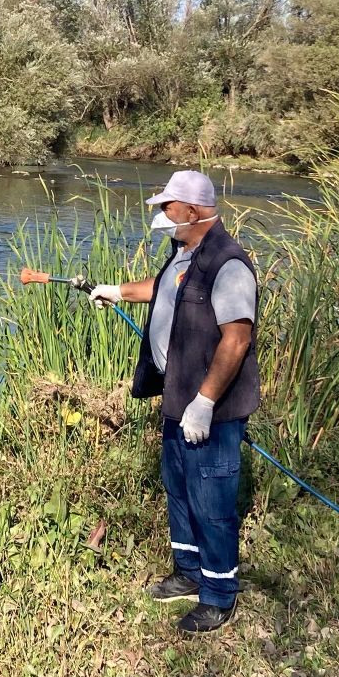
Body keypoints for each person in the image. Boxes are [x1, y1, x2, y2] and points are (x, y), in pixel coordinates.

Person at [80, 168, 261, 634]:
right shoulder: (185, 254)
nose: (161, 215)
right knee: (178, 487)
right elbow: (163, 291)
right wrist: (115, 291)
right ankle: (189, 571)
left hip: (210, 409)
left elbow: (236, 340)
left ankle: (219, 594)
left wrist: (205, 402)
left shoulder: (228, 263)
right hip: (177, 398)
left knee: (212, 498)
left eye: (168, 207)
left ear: (194, 210)